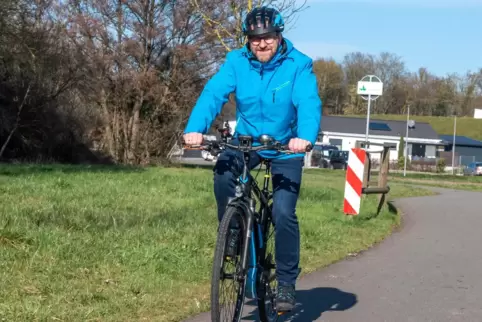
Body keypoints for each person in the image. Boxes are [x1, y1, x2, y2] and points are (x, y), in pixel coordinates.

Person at [183, 6, 322, 312]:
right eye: (255, 38)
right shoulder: (236, 61)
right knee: (223, 172)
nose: (261, 44)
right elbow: (213, 94)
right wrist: (194, 129)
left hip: (286, 146)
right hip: (248, 141)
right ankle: (233, 230)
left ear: (279, 36)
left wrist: (305, 138)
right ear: (247, 39)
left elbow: (309, 103)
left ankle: (285, 282)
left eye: (268, 38)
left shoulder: (298, 65)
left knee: (283, 213)